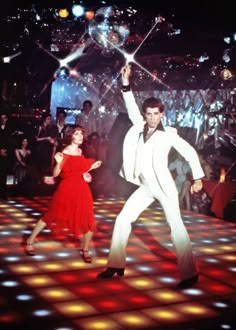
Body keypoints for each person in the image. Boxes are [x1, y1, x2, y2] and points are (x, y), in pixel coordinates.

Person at [97, 64, 205, 288]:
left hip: (164, 187)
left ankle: (190, 273)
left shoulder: (169, 135)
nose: (153, 118)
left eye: (157, 114)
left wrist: (198, 178)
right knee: (122, 219)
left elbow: (190, 152)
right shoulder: (138, 127)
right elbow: (130, 103)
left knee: (176, 228)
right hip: (145, 186)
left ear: (161, 114)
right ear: (145, 115)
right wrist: (126, 82)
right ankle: (116, 264)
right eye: (149, 114)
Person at [25, 126, 102, 263]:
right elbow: (55, 174)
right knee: (50, 215)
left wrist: (91, 167)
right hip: (66, 189)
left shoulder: (80, 151)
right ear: (70, 136)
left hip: (82, 189)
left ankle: (85, 249)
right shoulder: (65, 151)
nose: (80, 136)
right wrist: (59, 163)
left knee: (89, 219)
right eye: (76, 134)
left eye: (81, 134)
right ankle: (30, 241)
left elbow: (79, 169)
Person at [0, 111, 13, 200]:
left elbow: (11, 143)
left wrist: (6, 151)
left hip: (6, 154)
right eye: (1, 118)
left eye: (4, 118)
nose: (3, 120)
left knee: (4, 174)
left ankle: (3, 193)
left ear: (7, 119)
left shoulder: (9, 129)